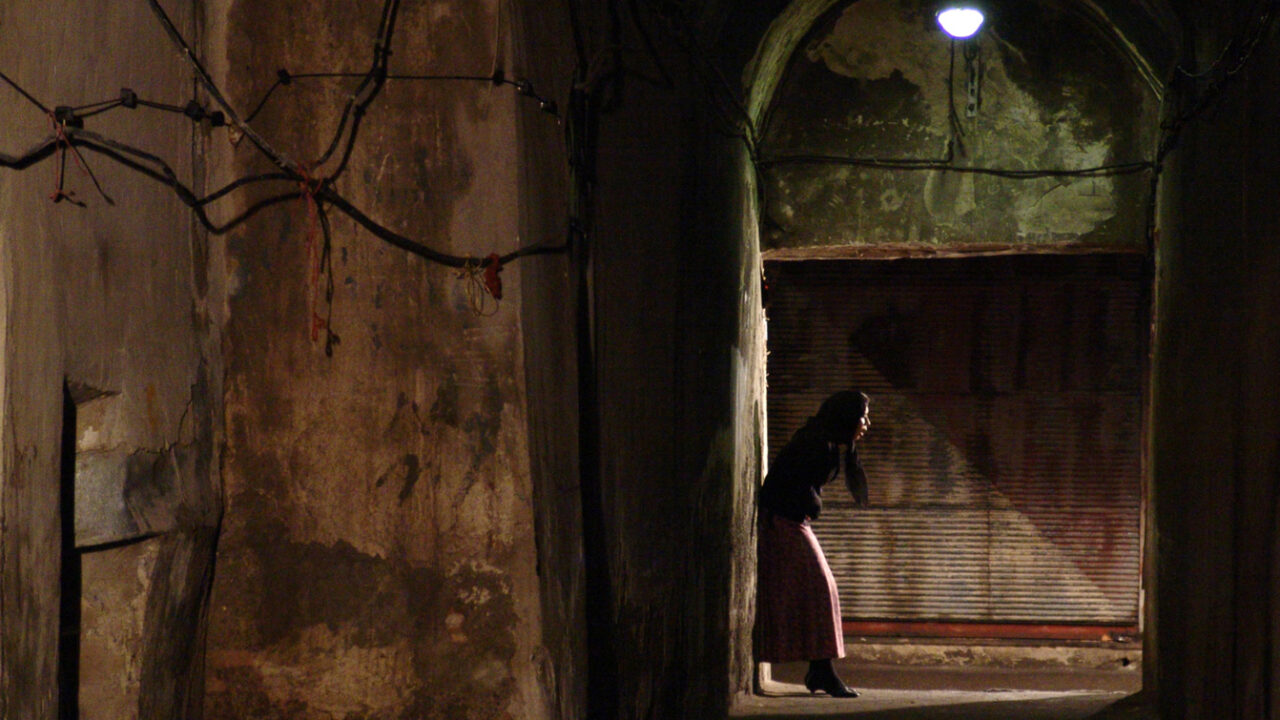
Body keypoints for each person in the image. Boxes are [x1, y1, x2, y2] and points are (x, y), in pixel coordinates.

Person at [755, 390, 871, 698]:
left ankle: (821, 669)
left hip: (793, 521)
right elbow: (787, 484)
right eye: (863, 417)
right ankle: (821, 671)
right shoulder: (815, 443)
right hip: (782, 522)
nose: (866, 424)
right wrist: (809, 506)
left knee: (821, 591)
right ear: (847, 418)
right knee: (820, 588)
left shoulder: (826, 441)